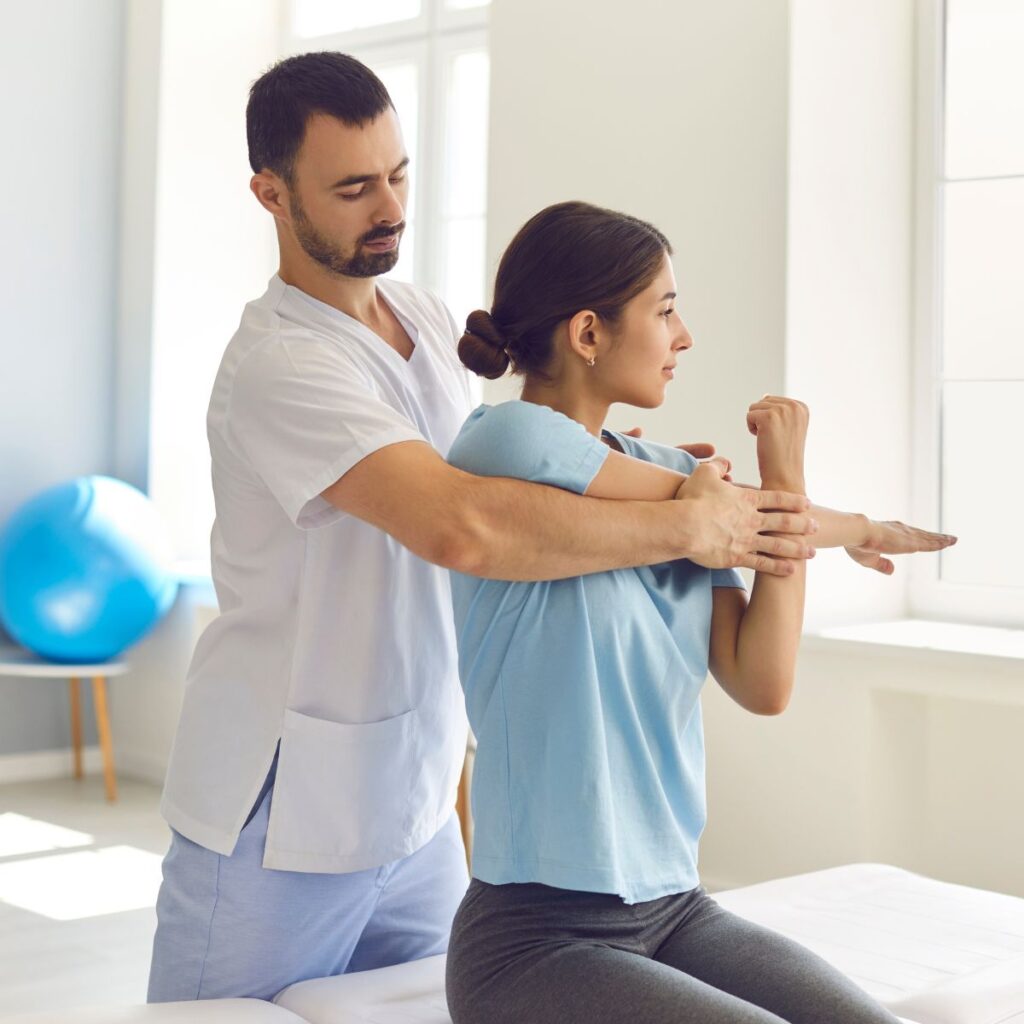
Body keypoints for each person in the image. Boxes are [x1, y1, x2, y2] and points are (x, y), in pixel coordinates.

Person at [147, 53, 825, 1003]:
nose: (388, 206)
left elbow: (530, 468)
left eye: (398, 173)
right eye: (352, 187)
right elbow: (464, 527)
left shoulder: (424, 322)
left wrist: (662, 480)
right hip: (276, 816)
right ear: (270, 193)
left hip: (419, 805)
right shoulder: (282, 362)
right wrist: (688, 524)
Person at [444, 200, 955, 1024]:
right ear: (587, 333)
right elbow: (731, 510)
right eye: (666, 310)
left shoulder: (688, 489)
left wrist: (784, 489)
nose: (684, 337)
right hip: (534, 938)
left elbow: (763, 683)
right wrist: (808, 511)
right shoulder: (499, 446)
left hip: (677, 910)